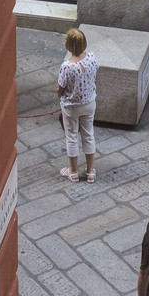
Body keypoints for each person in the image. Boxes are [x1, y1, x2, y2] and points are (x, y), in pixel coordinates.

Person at [56, 26, 97, 182]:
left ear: (69, 45)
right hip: (89, 102)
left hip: (71, 106)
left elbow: (60, 87)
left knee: (72, 136)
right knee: (88, 135)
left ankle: (73, 172)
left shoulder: (67, 66)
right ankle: (90, 172)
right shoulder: (92, 58)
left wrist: (60, 95)